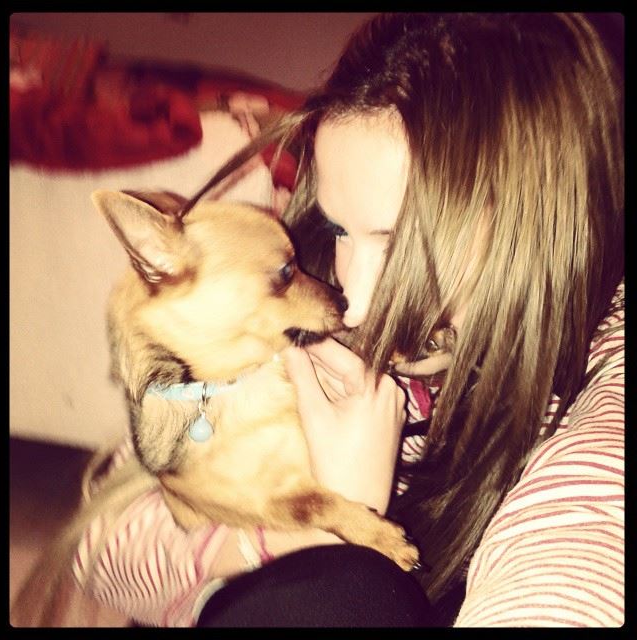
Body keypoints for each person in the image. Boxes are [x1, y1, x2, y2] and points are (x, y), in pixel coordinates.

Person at [70, 12, 624, 627]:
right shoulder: (297, 286)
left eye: (403, 244)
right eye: (340, 230)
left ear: (542, 228)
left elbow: (576, 563)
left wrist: (332, 538)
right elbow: (99, 547)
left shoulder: (599, 419)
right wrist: (318, 525)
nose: (353, 303)